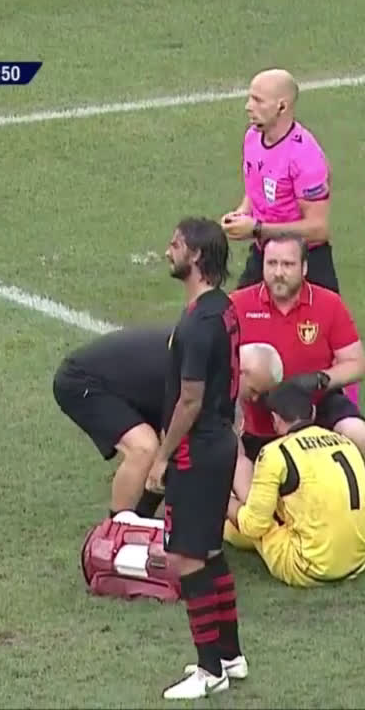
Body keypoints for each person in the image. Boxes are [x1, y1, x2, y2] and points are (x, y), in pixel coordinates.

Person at [145, 216, 246, 700]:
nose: (168, 251)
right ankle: (231, 655)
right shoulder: (223, 308)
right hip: (220, 441)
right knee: (209, 551)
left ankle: (210, 670)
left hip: (196, 450)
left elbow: (189, 400)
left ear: (197, 256)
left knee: (185, 557)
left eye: (176, 245)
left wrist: (161, 457)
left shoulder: (197, 324)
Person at [231, 234, 365, 465]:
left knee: (357, 432)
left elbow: (356, 364)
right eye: (272, 263)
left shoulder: (329, 304)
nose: (278, 272)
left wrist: (317, 380)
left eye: (287, 264)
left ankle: (352, 486)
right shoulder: (237, 305)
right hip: (257, 413)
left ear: (304, 267)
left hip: (316, 405)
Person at [224, 382, 365, 587]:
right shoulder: (346, 442)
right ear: (312, 412)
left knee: (249, 522)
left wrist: (223, 500)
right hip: (358, 560)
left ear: (275, 419)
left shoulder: (276, 453)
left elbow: (253, 526)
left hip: (308, 567)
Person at [220, 67, 340, 293]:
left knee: (323, 317)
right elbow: (257, 187)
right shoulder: (252, 137)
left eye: (258, 100)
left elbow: (318, 229)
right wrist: (242, 213)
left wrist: (257, 229)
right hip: (265, 253)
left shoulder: (305, 157)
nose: (248, 106)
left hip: (305, 261)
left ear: (282, 107)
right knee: (236, 314)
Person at [52, 327, 172, 518]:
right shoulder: (195, 372)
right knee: (144, 448)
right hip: (82, 380)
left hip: (133, 386)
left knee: (172, 452)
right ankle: (117, 528)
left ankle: (141, 519)